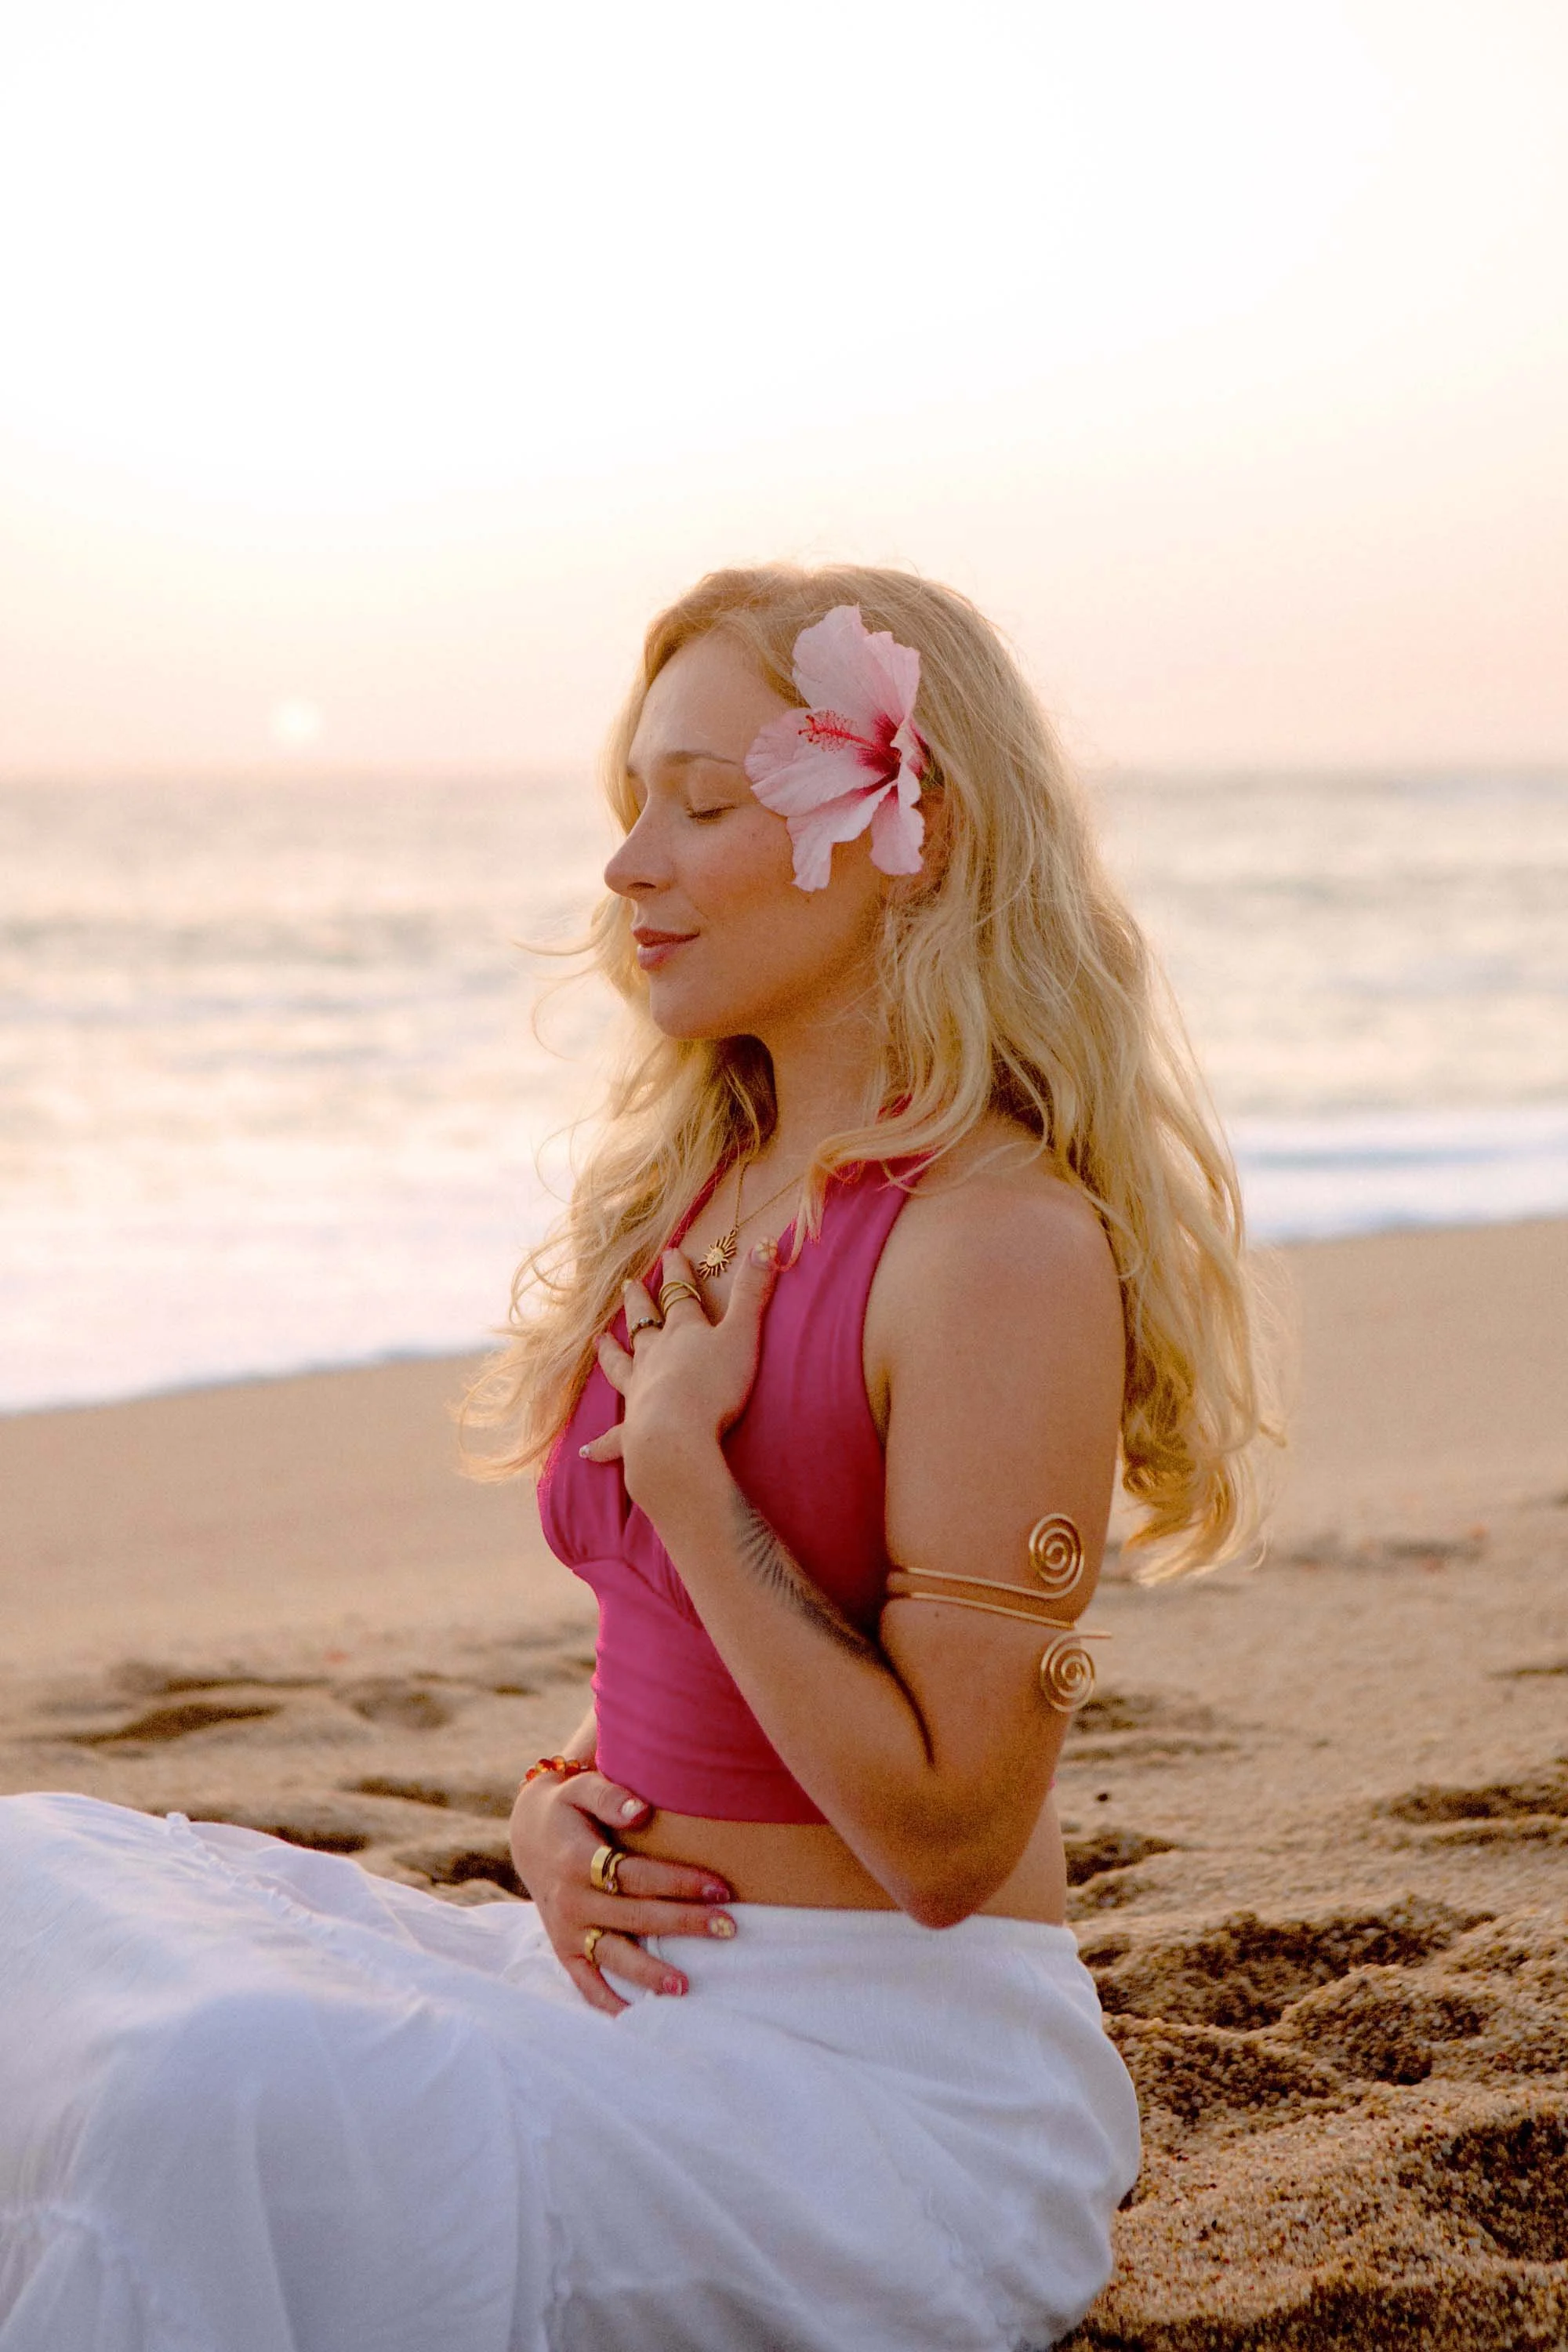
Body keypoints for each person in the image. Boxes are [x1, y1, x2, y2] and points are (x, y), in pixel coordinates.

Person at [0, 564, 1271, 2351]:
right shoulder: (708, 1180)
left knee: (204, 2093)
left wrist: (688, 1467)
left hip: (869, 2092)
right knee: (29, 1884)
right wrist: (556, 1799)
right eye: (629, 807)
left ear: (905, 828)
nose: (627, 868)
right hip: (625, 1996)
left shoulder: (998, 1249)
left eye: (700, 806)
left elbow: (945, 1840)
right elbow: (691, 1660)